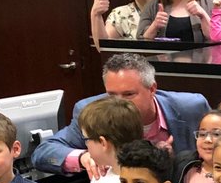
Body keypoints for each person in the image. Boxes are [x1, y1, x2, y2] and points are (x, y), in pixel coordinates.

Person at [33, 53, 210, 175]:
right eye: (111, 95)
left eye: (128, 94)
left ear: (152, 89)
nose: (119, 103)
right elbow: (44, 153)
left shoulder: (191, 107)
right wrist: (82, 157)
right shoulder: (92, 111)